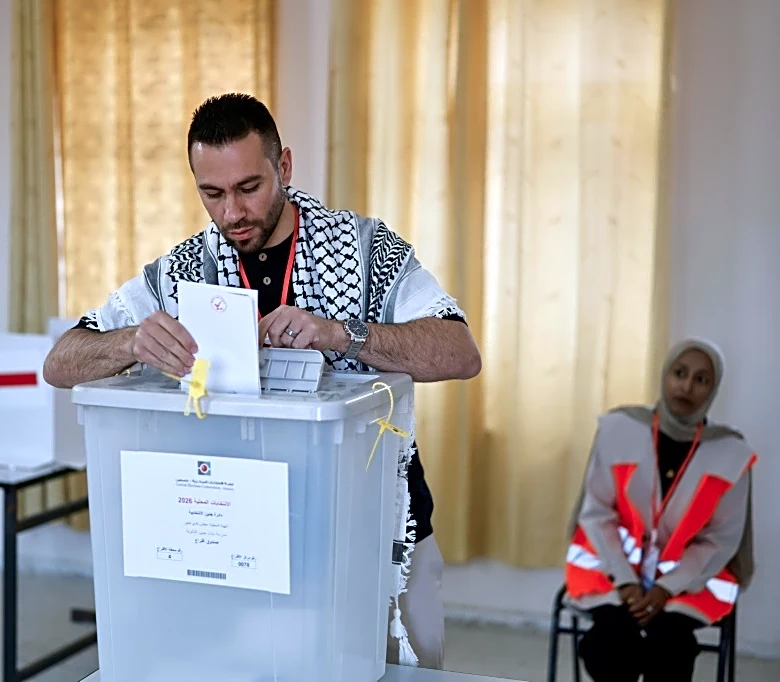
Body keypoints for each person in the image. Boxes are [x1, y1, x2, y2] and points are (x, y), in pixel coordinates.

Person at [43, 93, 482, 670]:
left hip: (372, 535)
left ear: (286, 168)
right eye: (212, 194)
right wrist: (129, 343)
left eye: (249, 188)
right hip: (232, 542)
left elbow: (460, 351)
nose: (232, 213)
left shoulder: (366, 251)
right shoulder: (180, 272)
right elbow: (60, 363)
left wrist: (343, 334)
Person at [564, 337, 756, 682]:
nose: (686, 386)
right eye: (679, 373)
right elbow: (596, 514)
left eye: (701, 379)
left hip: (687, 585)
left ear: (713, 390)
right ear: (665, 374)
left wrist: (666, 588)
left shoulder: (730, 453)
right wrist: (625, 582)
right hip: (611, 574)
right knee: (606, 644)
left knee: (671, 648)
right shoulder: (620, 429)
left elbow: (720, 540)